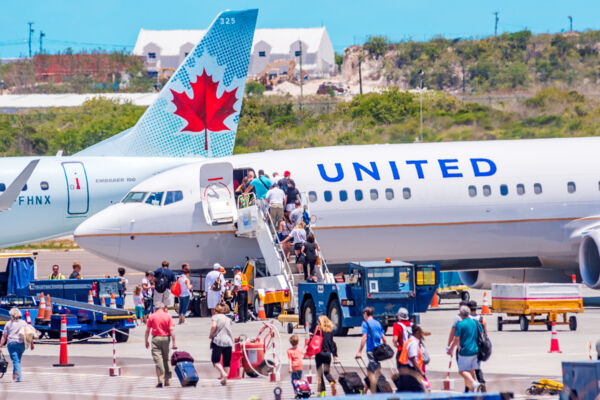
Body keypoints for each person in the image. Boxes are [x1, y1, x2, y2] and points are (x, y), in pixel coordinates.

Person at [447, 305, 481, 392]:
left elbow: (456, 339)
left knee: (462, 371)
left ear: (461, 314)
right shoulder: (475, 322)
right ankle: (472, 391)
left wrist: (450, 349)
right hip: (476, 350)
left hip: (465, 351)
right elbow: (482, 332)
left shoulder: (460, 324)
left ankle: (475, 384)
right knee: (471, 371)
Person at [145, 302, 177, 388]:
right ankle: (167, 379)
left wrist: (146, 341)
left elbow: (147, 330)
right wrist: (174, 342)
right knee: (166, 359)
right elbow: (172, 330)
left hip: (156, 339)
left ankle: (160, 379)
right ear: (163, 308)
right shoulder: (168, 316)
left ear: (155, 308)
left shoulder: (152, 316)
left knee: (158, 359)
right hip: (166, 338)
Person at [0, 308, 33, 382]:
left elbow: (4, 336)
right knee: (17, 360)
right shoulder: (23, 323)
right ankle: (14, 377)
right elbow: (29, 333)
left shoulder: (8, 323)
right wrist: (31, 343)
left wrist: (0, 345)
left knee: (16, 361)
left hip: (12, 344)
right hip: (21, 344)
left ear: (11, 315)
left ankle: (18, 377)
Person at [357, 306, 387, 384]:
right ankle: (366, 389)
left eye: (364, 314)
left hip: (371, 349)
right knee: (369, 370)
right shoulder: (377, 323)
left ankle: (381, 386)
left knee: (375, 369)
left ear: (366, 313)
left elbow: (364, 337)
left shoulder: (365, 323)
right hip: (378, 349)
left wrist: (359, 351)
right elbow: (383, 337)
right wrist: (385, 346)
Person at [209, 302, 234, 386]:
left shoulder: (215, 317)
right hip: (228, 341)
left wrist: (211, 334)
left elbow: (213, 326)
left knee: (215, 360)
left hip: (218, 341)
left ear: (216, 310)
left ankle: (223, 373)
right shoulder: (229, 319)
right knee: (227, 362)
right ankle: (225, 379)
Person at [397, 325, 427, 391]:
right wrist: (420, 371)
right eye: (421, 332)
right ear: (417, 333)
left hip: (405, 368)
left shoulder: (410, 340)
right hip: (410, 370)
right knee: (419, 390)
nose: (422, 335)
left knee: (404, 390)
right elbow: (412, 358)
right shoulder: (413, 343)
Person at [315, 315, 338, 397]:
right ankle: (331, 382)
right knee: (326, 372)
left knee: (319, 373)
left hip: (319, 353)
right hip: (328, 354)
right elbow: (332, 344)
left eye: (318, 321)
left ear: (320, 322)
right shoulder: (330, 331)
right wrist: (334, 356)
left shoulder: (318, 330)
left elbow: (314, 341)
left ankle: (322, 393)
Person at [469, 300, 487, 390]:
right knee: (477, 367)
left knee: (468, 368)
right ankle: (482, 383)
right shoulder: (481, 319)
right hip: (479, 346)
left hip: (470, 346)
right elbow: (485, 335)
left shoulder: (467, 319)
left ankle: (472, 386)